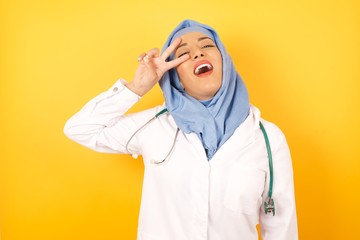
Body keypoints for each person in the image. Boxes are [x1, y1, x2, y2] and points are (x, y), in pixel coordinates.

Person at [64, 19, 298, 240]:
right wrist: (137, 87)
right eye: (184, 53)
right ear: (176, 76)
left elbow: (281, 225)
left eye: (207, 45)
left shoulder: (268, 138)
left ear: (225, 61)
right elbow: (80, 129)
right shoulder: (153, 126)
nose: (198, 53)